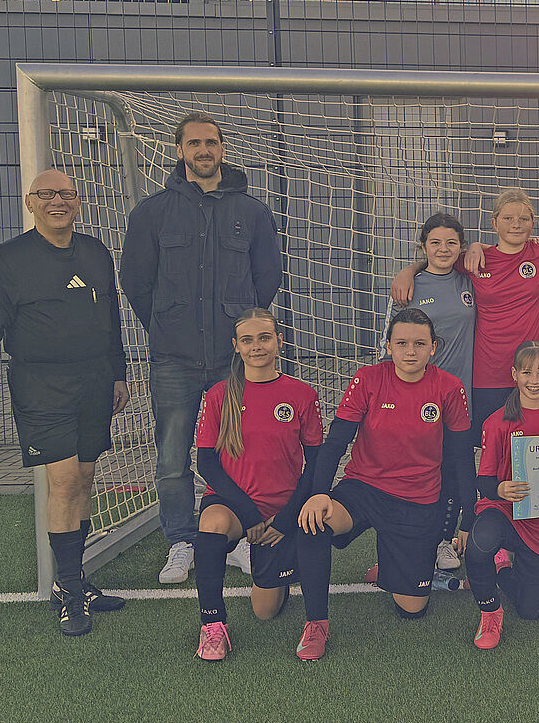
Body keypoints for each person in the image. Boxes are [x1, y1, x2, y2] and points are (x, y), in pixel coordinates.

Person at [0, 169, 129, 637]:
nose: (59, 201)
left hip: (94, 380)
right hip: (40, 384)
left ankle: (76, 580)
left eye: (67, 194)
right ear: (30, 202)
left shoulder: (95, 253)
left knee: (88, 476)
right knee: (65, 479)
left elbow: (110, 319)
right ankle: (69, 593)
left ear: (78, 202)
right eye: (47, 194)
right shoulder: (9, 260)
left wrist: (119, 374)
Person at [119, 111, 281, 585]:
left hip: (233, 362)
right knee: (172, 456)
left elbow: (265, 279)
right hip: (174, 360)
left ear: (222, 149)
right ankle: (181, 540)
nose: (203, 151)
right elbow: (135, 281)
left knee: (238, 450)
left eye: (211, 142)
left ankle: (233, 537)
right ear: (180, 150)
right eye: (194, 144)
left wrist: (240, 326)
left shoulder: (251, 212)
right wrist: (168, 323)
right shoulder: (152, 212)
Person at [295, 309, 475, 661]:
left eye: (420, 344)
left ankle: (392, 565)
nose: (411, 351)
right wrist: (318, 493)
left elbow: (460, 458)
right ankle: (316, 623)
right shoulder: (368, 379)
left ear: (433, 348)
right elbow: (335, 443)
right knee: (313, 525)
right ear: (389, 346)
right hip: (365, 489)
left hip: (418, 500)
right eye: (402, 343)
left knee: (412, 609)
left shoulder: (448, 387)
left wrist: (467, 520)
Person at [390, 188, 539, 440]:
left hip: (533, 374)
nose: (515, 225)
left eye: (523, 219)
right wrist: (410, 270)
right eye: (507, 218)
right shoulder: (476, 260)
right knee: (491, 447)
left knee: (535, 445)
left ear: (533, 224)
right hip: (488, 375)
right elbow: (439, 259)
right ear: (494, 223)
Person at [192, 308, 322, 660]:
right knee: (212, 524)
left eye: (264, 338)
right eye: (247, 340)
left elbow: (316, 465)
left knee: (265, 610)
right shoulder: (220, 396)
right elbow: (207, 463)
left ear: (279, 342)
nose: (256, 347)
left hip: (282, 508)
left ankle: (273, 566)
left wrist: (284, 519)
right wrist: (249, 515)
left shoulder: (302, 394)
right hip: (235, 505)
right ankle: (213, 626)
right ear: (236, 346)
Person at [380, 212, 477, 576]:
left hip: (459, 397)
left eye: (451, 242)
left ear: (461, 247)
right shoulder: (409, 287)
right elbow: (387, 347)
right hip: (417, 399)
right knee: (416, 469)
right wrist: (410, 269)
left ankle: (443, 540)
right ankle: (399, 538)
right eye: (435, 242)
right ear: (423, 246)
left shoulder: (470, 280)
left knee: (453, 470)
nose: (443, 249)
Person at [464, 341, 539, 650]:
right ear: (514, 374)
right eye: (527, 372)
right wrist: (500, 489)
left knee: (530, 611)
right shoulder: (497, 421)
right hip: (501, 510)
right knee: (477, 548)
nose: (534, 380)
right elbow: (484, 481)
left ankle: (503, 569)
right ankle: (490, 612)